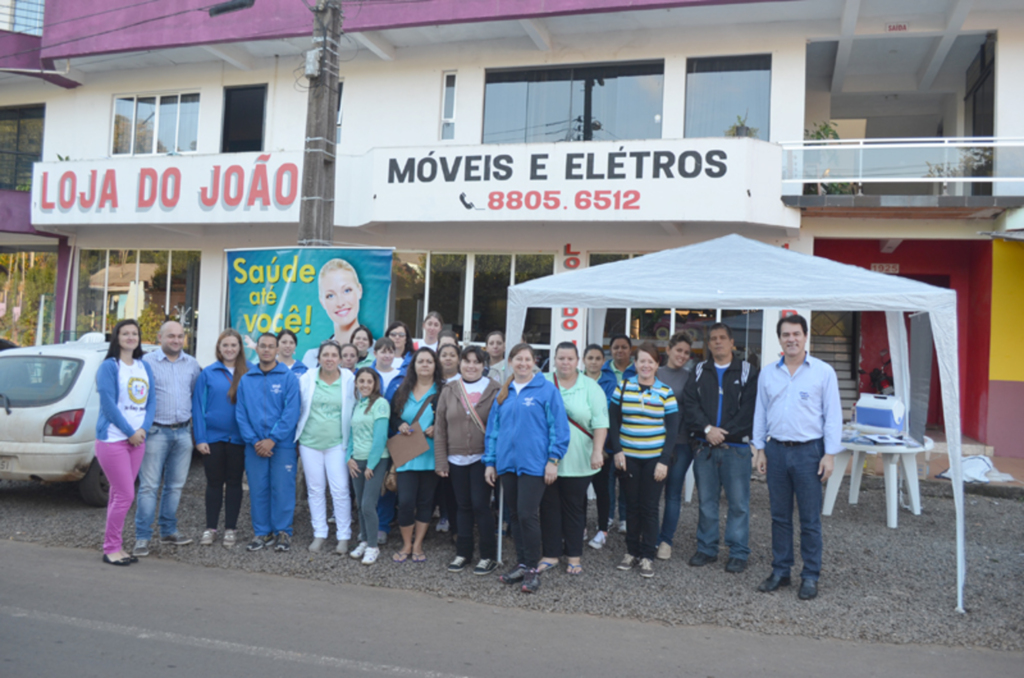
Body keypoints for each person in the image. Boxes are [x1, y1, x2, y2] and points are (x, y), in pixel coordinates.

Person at [752, 314, 841, 601]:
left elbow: (833, 416)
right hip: (776, 450)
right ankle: (781, 571)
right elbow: (761, 412)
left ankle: (811, 575)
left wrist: (829, 454)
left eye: (796, 334)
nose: (791, 339)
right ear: (779, 339)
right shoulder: (768, 373)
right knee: (779, 516)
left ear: (805, 337)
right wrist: (760, 449)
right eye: (786, 334)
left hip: (809, 453)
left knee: (810, 519)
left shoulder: (823, 372)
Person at [484, 343, 570, 594]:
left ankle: (532, 568)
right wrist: (490, 462)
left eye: (527, 359)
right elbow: (493, 431)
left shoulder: (547, 390)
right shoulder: (504, 391)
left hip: (534, 464)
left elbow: (559, 429)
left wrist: (553, 460)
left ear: (534, 362)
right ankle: (522, 563)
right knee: (514, 515)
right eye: (518, 359)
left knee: (527, 514)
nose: (522, 363)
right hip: (507, 464)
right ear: (510, 362)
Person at [683, 323, 757, 573]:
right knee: (706, 502)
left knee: (738, 504)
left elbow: (750, 409)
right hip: (705, 447)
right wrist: (707, 430)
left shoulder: (748, 371)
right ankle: (706, 548)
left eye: (722, 338)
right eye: (713, 338)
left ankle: (738, 552)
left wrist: (723, 433)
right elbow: (689, 403)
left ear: (732, 343)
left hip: (736, 448)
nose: (717, 342)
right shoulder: (699, 370)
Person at [608, 342, 679, 578]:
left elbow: (672, 430)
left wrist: (664, 461)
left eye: (651, 361)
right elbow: (613, 421)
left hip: (653, 459)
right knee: (631, 505)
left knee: (649, 507)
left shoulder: (666, 392)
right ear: (635, 364)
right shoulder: (623, 387)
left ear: (657, 364)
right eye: (641, 361)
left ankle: (648, 554)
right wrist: (617, 451)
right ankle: (631, 552)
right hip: (627, 457)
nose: (646, 365)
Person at [133, 321, 202, 557]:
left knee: (175, 486)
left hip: (183, 432)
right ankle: (142, 537)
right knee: (149, 487)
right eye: (171, 336)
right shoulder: (146, 363)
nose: (176, 340)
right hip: (155, 432)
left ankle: (168, 530)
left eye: (180, 336)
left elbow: (195, 395)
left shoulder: (192, 364)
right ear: (159, 337)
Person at [538, 342, 608, 575]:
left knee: (574, 509)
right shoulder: (542, 381)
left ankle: (574, 556)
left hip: (579, 459)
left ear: (577, 361)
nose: (565, 363)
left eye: (569, 359)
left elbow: (600, 423)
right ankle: (550, 554)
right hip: (546, 459)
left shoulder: (590, 387)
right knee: (548, 508)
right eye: (561, 358)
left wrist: (597, 451)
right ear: (554, 359)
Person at [434, 346, 500, 575]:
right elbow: (440, 428)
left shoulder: (494, 389)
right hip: (455, 458)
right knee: (462, 506)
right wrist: (441, 461)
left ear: (484, 365)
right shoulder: (449, 389)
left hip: (483, 458)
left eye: (476, 362)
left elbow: (499, 427)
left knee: (481, 506)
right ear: (460, 363)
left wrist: (495, 461)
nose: (471, 366)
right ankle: (463, 553)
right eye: (467, 361)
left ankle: (488, 556)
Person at [94, 319, 156, 565]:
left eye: (134, 333)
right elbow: (108, 405)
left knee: (118, 495)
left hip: (137, 440)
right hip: (113, 440)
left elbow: (151, 401)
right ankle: (111, 548)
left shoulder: (144, 366)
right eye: (125, 333)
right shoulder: (109, 367)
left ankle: (115, 545)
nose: (131, 337)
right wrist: (130, 431)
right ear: (116, 337)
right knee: (125, 495)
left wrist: (143, 430)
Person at [236, 332, 302, 552]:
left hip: (281, 445)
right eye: (262, 346)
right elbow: (241, 414)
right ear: (257, 349)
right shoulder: (247, 379)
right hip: (254, 446)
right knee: (258, 489)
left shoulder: (288, 378)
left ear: (277, 350)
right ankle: (262, 533)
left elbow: (291, 413)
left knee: (283, 488)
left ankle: (283, 531)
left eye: (270, 346)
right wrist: (255, 441)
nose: (266, 350)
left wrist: (272, 439)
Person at [296, 340, 356, 554]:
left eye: (333, 355)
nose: (329, 359)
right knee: (315, 489)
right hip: (310, 443)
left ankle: (343, 536)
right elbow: (298, 407)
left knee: (340, 490)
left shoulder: (350, 379)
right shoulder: (307, 379)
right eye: (325, 355)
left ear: (340, 359)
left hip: (338, 444)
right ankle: (319, 533)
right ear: (319, 358)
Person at [192, 329, 251, 548]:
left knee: (235, 484)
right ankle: (211, 528)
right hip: (213, 439)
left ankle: (231, 529)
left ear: (239, 348)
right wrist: (200, 438)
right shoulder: (208, 373)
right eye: (225, 345)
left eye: (233, 345)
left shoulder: (249, 372)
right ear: (219, 348)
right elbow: (198, 407)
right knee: (214, 484)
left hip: (239, 439)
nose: (229, 349)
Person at [389, 347, 443, 563]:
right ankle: (406, 544)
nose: (425, 365)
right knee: (405, 502)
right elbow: (392, 416)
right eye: (421, 361)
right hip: (407, 455)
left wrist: (437, 426)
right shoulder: (402, 390)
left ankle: (418, 544)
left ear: (435, 365)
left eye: (429, 361)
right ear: (414, 365)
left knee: (425, 502)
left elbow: (449, 418)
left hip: (430, 456)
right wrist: (399, 424)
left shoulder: (443, 392)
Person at [654, 332, 694, 561]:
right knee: (651, 493)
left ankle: (665, 540)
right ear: (668, 349)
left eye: (687, 353)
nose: (682, 355)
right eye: (678, 350)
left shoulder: (690, 377)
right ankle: (648, 536)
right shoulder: (654, 373)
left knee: (673, 494)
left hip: (680, 443)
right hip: (652, 442)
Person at [347, 367, 391, 565]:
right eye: (361, 381)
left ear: (375, 385)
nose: (365, 385)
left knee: (368, 504)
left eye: (369, 382)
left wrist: (371, 465)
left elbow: (380, 437)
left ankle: (373, 546)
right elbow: (351, 435)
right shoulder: (358, 404)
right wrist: (349, 457)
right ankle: (364, 540)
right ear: (356, 383)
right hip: (357, 460)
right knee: (359, 504)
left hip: (376, 461)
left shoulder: (381, 404)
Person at [598, 334, 636, 534]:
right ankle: (608, 516)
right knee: (607, 479)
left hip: (629, 432)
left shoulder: (637, 371)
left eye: (623, 347)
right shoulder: (603, 372)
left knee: (626, 478)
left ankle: (625, 517)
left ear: (630, 350)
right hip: (605, 433)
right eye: (615, 347)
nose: (619, 351)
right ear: (610, 350)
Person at [582, 344, 614, 550]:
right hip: (580, 442)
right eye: (590, 358)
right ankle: (580, 526)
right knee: (579, 488)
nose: (593, 362)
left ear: (603, 361)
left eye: (597, 358)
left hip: (604, 443)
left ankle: (603, 529)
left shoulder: (610, 381)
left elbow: (606, 409)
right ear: (583, 360)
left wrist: (599, 444)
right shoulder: (576, 379)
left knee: (603, 488)